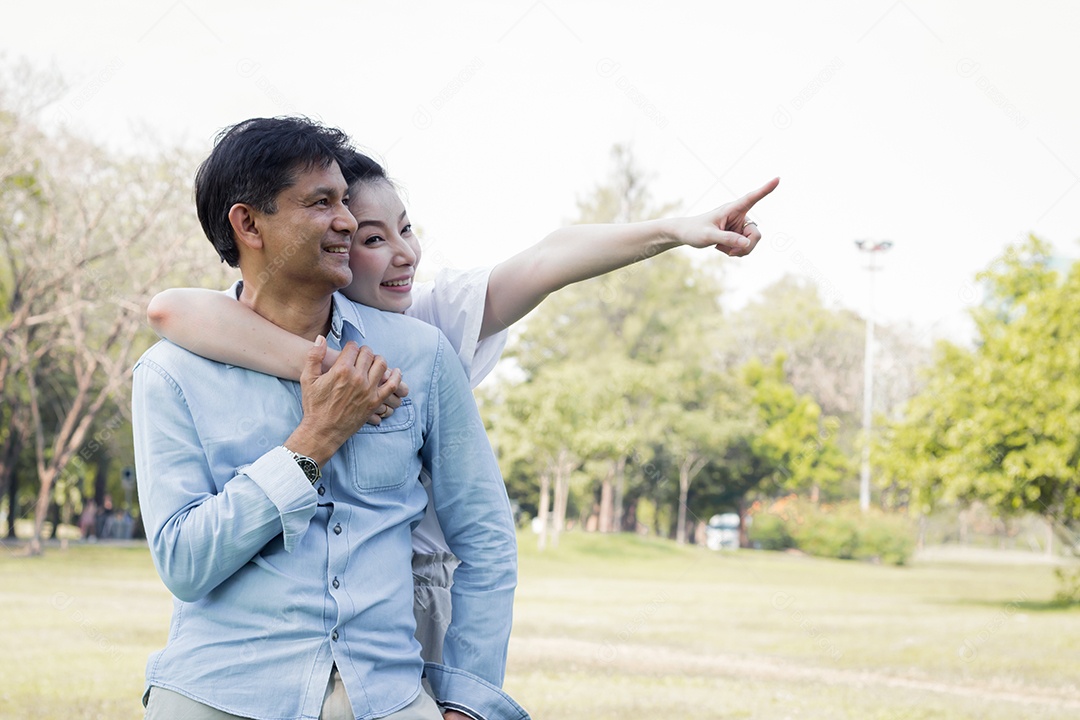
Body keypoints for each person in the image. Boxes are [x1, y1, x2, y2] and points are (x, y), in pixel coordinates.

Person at [147, 149, 778, 667]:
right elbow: (172, 309)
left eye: (406, 227)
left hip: (420, 592)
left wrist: (676, 231)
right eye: (372, 237)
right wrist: (339, 373)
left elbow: (547, 258)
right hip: (321, 612)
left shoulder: (428, 322)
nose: (404, 253)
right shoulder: (260, 334)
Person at [133, 117, 524, 720]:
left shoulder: (419, 356)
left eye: (344, 200)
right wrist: (309, 447)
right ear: (248, 224)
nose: (346, 220)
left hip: (387, 697)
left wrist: (468, 702)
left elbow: (486, 539)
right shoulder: (170, 375)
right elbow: (184, 562)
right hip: (216, 694)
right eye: (321, 203)